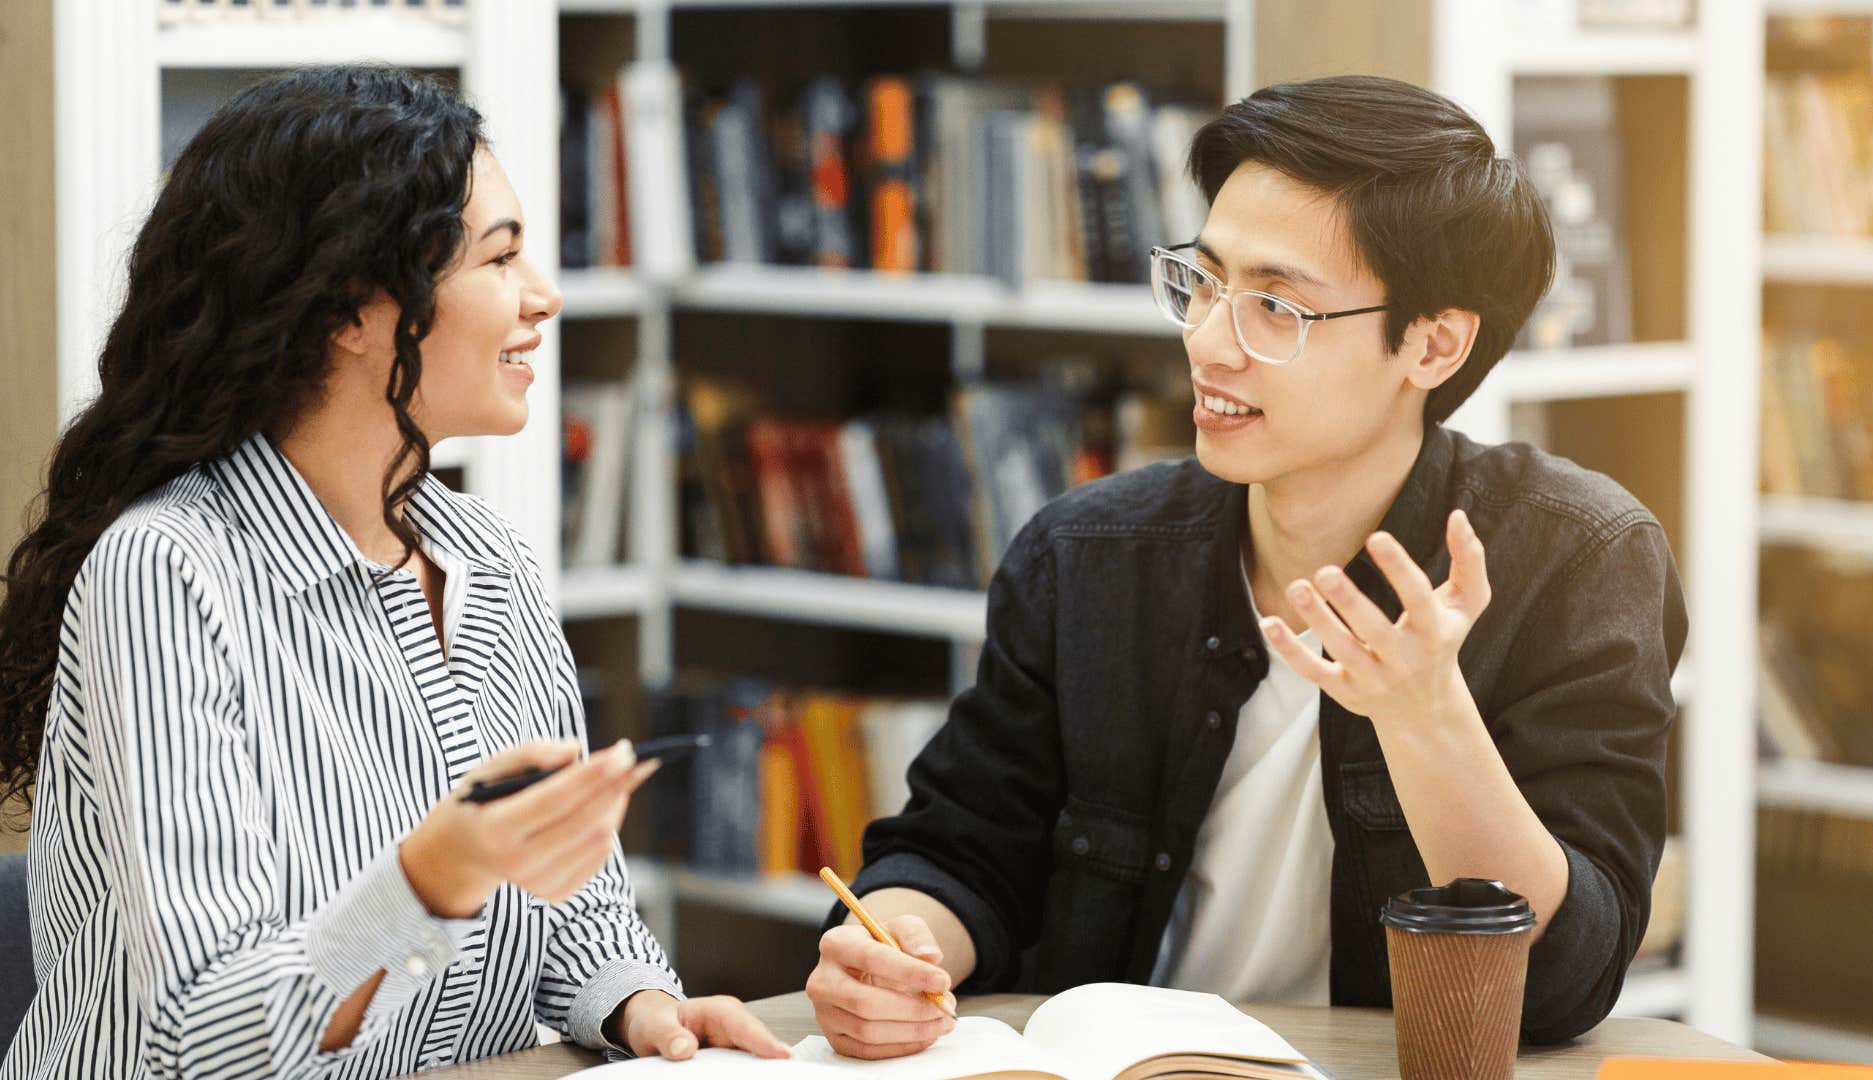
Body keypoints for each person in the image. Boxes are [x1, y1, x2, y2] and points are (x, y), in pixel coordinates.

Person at [804, 74, 1686, 1059]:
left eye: (1274, 305)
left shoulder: (1580, 561)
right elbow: (960, 850)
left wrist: (1424, 715)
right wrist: (895, 944)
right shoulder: (1086, 555)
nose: (1206, 341)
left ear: (1433, 345)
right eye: (1205, 281)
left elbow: (1565, 982)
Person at [0, 66, 787, 1078]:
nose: (543, 296)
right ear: (349, 311)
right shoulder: (165, 575)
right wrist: (430, 880)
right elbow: (207, 1034)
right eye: (499, 257)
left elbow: (576, 914)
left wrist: (641, 1007)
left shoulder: (491, 558)